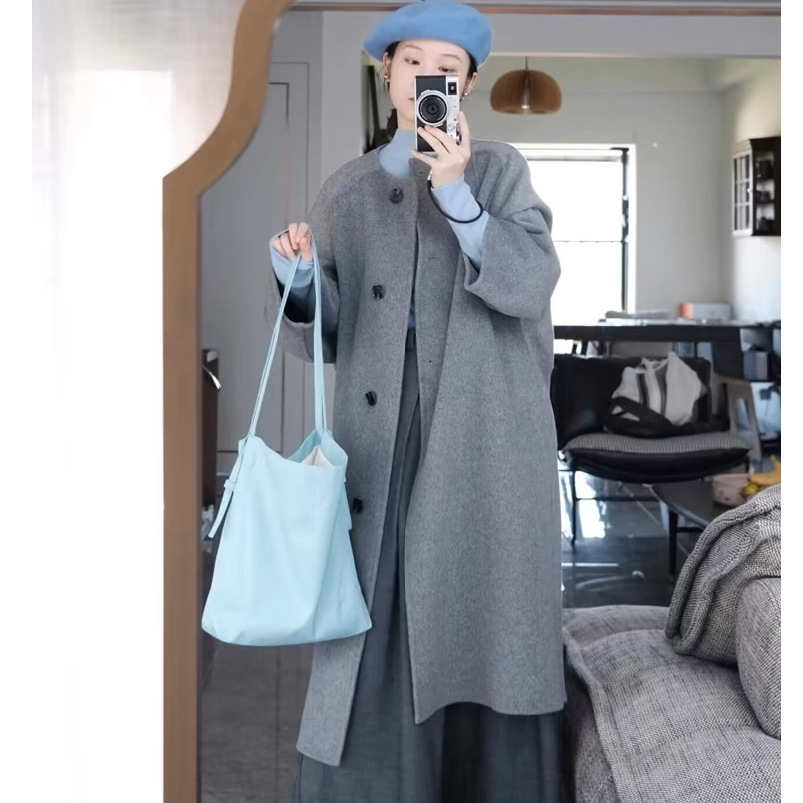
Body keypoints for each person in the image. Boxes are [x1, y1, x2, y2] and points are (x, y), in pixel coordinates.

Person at [265, 2, 565, 800]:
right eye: (412, 61)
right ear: (387, 72)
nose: (426, 76)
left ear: (468, 83)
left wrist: (457, 194)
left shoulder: (497, 169)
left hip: (484, 431)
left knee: (486, 615)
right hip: (379, 437)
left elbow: (531, 282)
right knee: (375, 610)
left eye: (447, 66)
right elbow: (324, 335)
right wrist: (299, 282)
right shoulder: (348, 189)